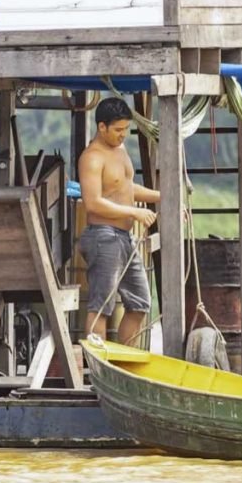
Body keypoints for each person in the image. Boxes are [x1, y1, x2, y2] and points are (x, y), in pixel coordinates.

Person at [77, 97, 160, 346]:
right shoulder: (92, 157)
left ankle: (125, 364)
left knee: (140, 303)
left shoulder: (121, 150)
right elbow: (93, 203)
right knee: (102, 305)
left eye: (126, 129)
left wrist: (163, 197)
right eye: (118, 130)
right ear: (102, 127)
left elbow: (124, 187)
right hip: (103, 236)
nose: (123, 135)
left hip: (125, 237)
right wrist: (133, 213)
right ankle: (97, 368)